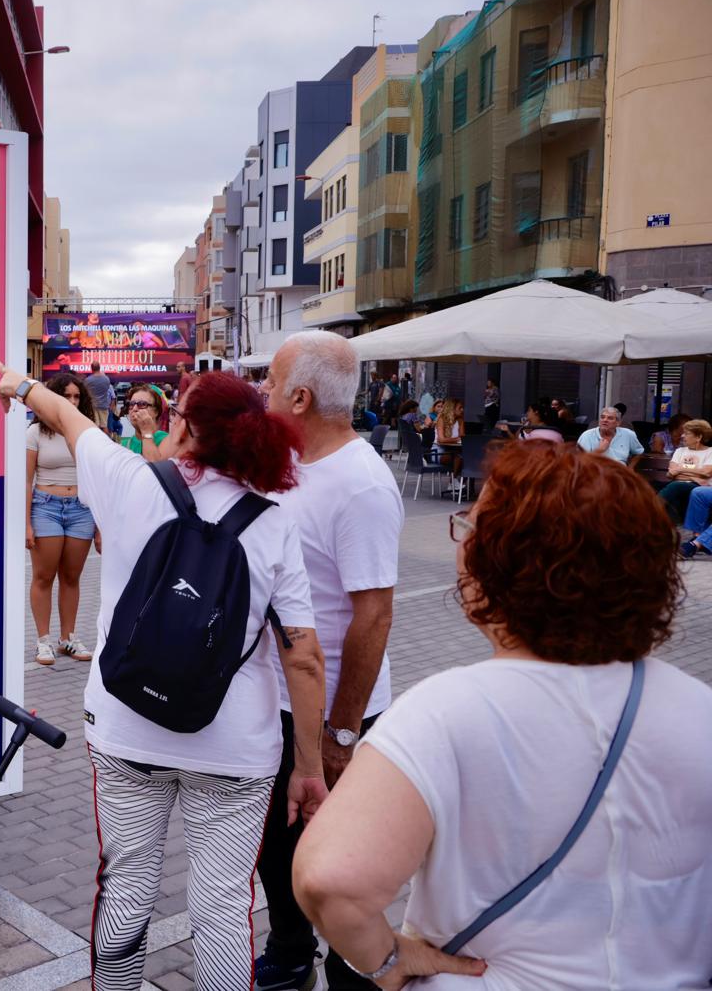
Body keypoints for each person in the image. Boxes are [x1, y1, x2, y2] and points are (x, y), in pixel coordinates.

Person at [293, 443, 712, 990]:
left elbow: (331, 881)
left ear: (497, 565)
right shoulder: (697, 707)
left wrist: (388, 961)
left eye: (470, 530)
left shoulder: (444, 715)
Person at [0, 360, 327, 991]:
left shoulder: (130, 482)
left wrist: (17, 386)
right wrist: (309, 767)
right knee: (223, 907)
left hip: (125, 732)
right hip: (235, 752)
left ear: (190, 431)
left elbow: (66, 416)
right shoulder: (274, 522)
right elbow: (303, 656)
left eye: (177, 412)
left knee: (126, 882)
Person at [255, 331, 405, 991]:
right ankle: (289, 957)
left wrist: (342, 734)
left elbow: (374, 616)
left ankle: (349, 973)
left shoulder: (361, 485)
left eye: (270, 382)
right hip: (277, 704)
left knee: (337, 867)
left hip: (332, 716)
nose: (261, 392)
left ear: (300, 396)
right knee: (277, 853)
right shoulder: (288, 464)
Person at [24, 373, 98, 667]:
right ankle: (43, 640)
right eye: (66, 396)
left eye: (77, 397)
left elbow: (98, 480)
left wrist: (101, 526)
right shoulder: (35, 433)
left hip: (81, 508)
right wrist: (26, 523)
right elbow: (25, 480)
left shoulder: (87, 431)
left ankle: (68, 637)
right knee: (44, 576)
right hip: (46, 507)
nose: (72, 402)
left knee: (72, 577)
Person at [659, 419, 712, 524]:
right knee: (666, 486)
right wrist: (695, 476)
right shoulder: (680, 451)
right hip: (687, 483)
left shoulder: (710, 452)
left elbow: (706, 473)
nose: (682, 436)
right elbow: (670, 473)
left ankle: (648, 511)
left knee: (676, 486)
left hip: (700, 488)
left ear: (698, 437)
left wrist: (680, 469)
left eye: (686, 433)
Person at [577, 406, 644, 468]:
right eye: (602, 417)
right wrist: (599, 451)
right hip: (596, 475)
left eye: (610, 418)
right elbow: (579, 461)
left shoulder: (628, 434)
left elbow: (638, 452)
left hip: (620, 475)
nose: (605, 420)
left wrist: (630, 469)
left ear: (618, 422)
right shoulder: (587, 435)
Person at [118, 383, 168, 461]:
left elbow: (155, 470)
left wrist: (146, 432)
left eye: (142, 404)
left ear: (156, 411)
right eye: (131, 404)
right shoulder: (124, 445)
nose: (134, 408)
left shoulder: (166, 440)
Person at [434, 398, 464, 479]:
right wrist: (457, 439)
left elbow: (462, 437)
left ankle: (462, 484)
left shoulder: (460, 420)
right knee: (458, 457)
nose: (462, 410)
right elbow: (441, 440)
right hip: (438, 452)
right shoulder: (442, 419)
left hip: (454, 450)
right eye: (460, 408)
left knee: (467, 458)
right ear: (452, 409)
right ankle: (453, 482)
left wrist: (458, 439)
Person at [84, 362, 114, 434]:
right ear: (99, 367)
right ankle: (106, 442)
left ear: (91, 368)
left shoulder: (88, 380)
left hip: (92, 406)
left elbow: (85, 392)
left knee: (95, 426)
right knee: (104, 426)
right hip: (104, 405)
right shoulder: (106, 379)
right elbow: (107, 389)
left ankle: (96, 442)